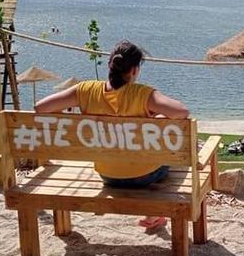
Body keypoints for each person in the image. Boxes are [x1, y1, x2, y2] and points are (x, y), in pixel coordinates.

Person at [34, 40, 189, 231]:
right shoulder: (143, 94)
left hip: (107, 174)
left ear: (110, 65)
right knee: (169, 158)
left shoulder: (85, 90)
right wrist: (156, 117)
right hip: (144, 176)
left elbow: (41, 108)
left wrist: (72, 119)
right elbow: (181, 111)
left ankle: (153, 213)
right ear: (134, 70)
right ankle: (153, 213)